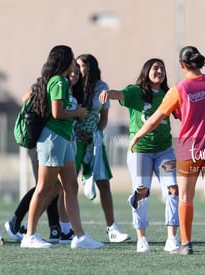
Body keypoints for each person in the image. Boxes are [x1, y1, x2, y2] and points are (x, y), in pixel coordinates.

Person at [128, 46, 205, 256]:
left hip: (190, 151)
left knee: (185, 197)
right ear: (200, 62)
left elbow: (155, 118)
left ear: (182, 65)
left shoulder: (178, 89)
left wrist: (138, 135)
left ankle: (186, 244)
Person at [20, 45, 104, 249]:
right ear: (64, 60)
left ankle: (80, 237)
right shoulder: (58, 81)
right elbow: (57, 113)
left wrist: (75, 112)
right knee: (44, 188)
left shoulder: (63, 81)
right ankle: (29, 236)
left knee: (71, 186)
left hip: (64, 138)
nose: (75, 62)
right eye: (72, 58)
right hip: (53, 139)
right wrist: (77, 113)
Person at [99, 58, 180, 252]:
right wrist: (107, 93)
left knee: (173, 189)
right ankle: (141, 239)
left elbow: (183, 113)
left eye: (162, 68)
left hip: (165, 151)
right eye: (155, 68)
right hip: (140, 152)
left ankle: (172, 239)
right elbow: (118, 94)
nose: (159, 71)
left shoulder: (168, 95)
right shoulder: (135, 92)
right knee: (142, 192)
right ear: (146, 71)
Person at [73, 54, 130, 243]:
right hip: (73, 140)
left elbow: (104, 118)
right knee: (67, 185)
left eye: (81, 66)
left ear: (90, 67)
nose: (78, 69)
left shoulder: (101, 87)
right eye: (76, 66)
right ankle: (65, 228)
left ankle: (112, 229)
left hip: (94, 140)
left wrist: (95, 132)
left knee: (104, 183)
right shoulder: (72, 85)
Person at [5, 85, 61, 243]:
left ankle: (55, 228)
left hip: (52, 142)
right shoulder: (48, 86)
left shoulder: (63, 86)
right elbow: (25, 98)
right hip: (39, 143)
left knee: (53, 185)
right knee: (43, 186)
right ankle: (15, 220)